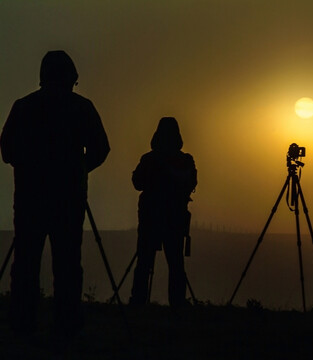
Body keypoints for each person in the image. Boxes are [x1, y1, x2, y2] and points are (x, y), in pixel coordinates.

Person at [0, 50, 110, 334]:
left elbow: (7, 150)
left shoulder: (23, 107)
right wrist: (80, 168)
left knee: (26, 260)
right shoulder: (82, 108)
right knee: (68, 262)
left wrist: (28, 165)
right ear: (71, 77)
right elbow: (101, 148)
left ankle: (22, 321)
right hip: (68, 198)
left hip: (29, 198)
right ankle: (67, 323)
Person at [129, 117, 197, 308]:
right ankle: (177, 303)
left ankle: (138, 301)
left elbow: (137, 183)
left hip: (151, 216)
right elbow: (191, 183)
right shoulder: (185, 161)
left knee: (144, 260)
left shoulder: (150, 159)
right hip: (175, 218)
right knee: (175, 262)